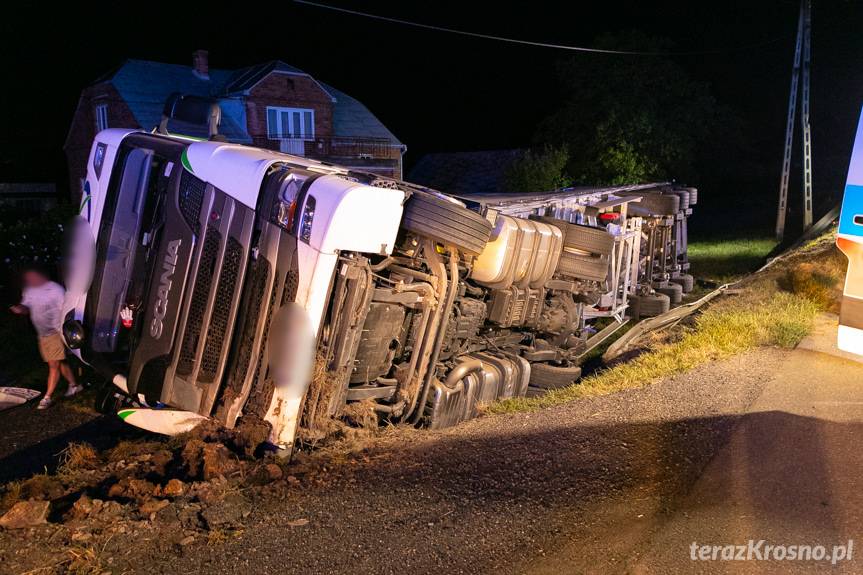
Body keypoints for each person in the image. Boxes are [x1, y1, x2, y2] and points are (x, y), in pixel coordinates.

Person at [9, 266, 82, 409]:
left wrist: (66, 329)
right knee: (60, 363)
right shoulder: (29, 290)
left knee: (53, 365)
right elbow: (26, 307)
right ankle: (74, 386)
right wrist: (19, 309)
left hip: (55, 332)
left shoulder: (55, 289)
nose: (29, 280)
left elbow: (66, 308)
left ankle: (47, 397)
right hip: (42, 334)